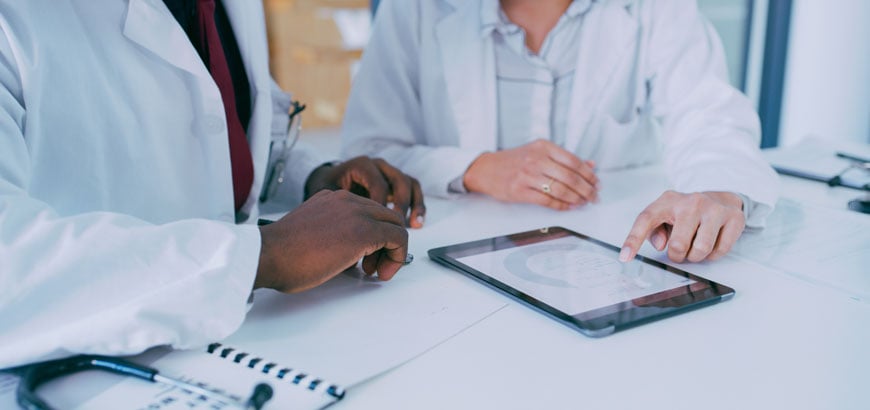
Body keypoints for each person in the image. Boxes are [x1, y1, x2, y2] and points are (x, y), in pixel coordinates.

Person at [0, 0, 425, 369]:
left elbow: (227, 123)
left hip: (262, 340)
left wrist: (311, 177)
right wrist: (263, 256)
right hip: (91, 371)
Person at [342, 0, 778, 264]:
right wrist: (474, 169)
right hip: (448, 257)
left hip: (608, 256)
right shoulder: (416, 8)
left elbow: (707, 113)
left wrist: (719, 190)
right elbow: (366, 153)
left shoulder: (654, 7)